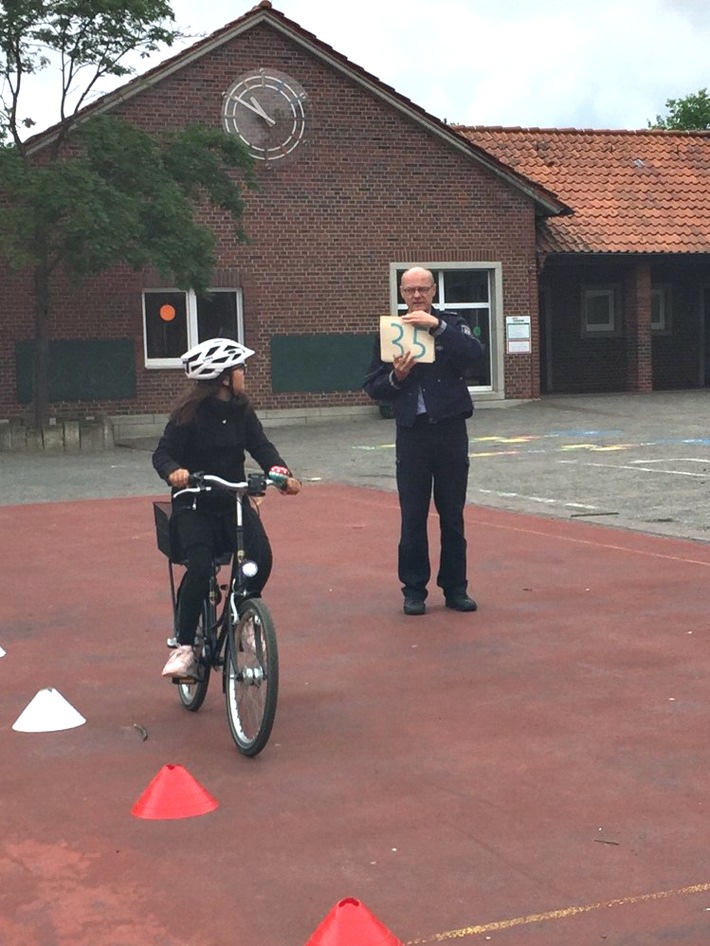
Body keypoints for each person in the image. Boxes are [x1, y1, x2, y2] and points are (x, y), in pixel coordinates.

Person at [152, 337, 300, 678]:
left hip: (232, 498)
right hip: (194, 502)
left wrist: (281, 474)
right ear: (222, 376)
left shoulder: (242, 410)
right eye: (240, 369)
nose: (244, 374)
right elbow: (162, 454)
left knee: (259, 557)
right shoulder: (187, 416)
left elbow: (261, 447)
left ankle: (243, 611)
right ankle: (185, 646)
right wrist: (174, 471)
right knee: (201, 567)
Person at [363, 267, 484, 616]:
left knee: (452, 514)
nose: (417, 296)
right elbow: (372, 386)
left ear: (434, 291)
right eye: (410, 290)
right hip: (412, 433)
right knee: (413, 516)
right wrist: (396, 377)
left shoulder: (451, 323)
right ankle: (414, 589)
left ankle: (456, 588)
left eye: (423, 289)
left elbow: (476, 355)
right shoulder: (390, 331)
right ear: (401, 293)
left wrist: (440, 328)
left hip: (449, 430)